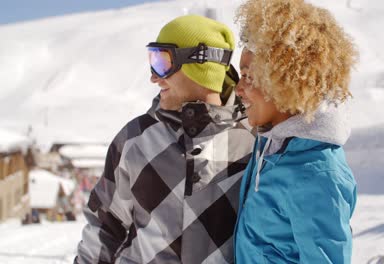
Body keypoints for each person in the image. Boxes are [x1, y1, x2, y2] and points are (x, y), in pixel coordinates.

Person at [75, 15, 254, 264]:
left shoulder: (253, 141)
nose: (153, 77)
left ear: (200, 65)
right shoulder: (136, 139)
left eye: (162, 62)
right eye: (152, 61)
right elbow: (103, 227)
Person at [233, 0, 358, 263]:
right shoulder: (271, 146)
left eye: (249, 76)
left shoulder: (317, 173)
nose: (238, 89)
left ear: (284, 81)